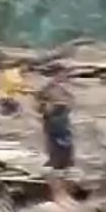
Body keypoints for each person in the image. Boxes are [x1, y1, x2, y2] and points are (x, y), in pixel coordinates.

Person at [34, 74, 76, 204]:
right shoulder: (53, 96)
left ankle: (62, 194)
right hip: (58, 134)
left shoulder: (58, 98)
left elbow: (68, 103)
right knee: (58, 162)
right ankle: (59, 195)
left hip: (60, 134)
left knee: (61, 162)